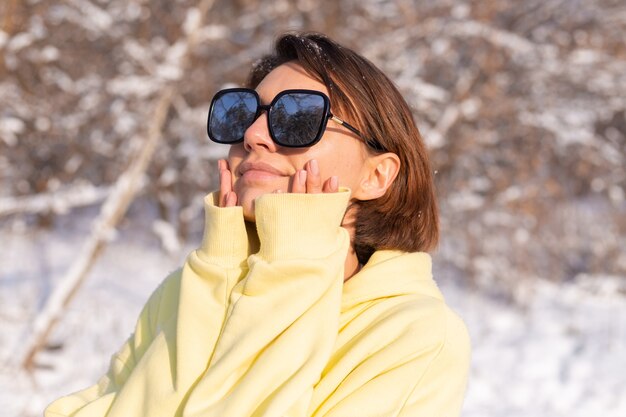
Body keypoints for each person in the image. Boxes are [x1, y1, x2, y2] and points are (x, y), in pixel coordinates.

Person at [45, 31, 470, 417]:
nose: (253, 135)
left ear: (376, 176)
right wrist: (219, 273)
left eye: (299, 118)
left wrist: (295, 265)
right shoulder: (188, 288)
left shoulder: (415, 337)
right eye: (243, 113)